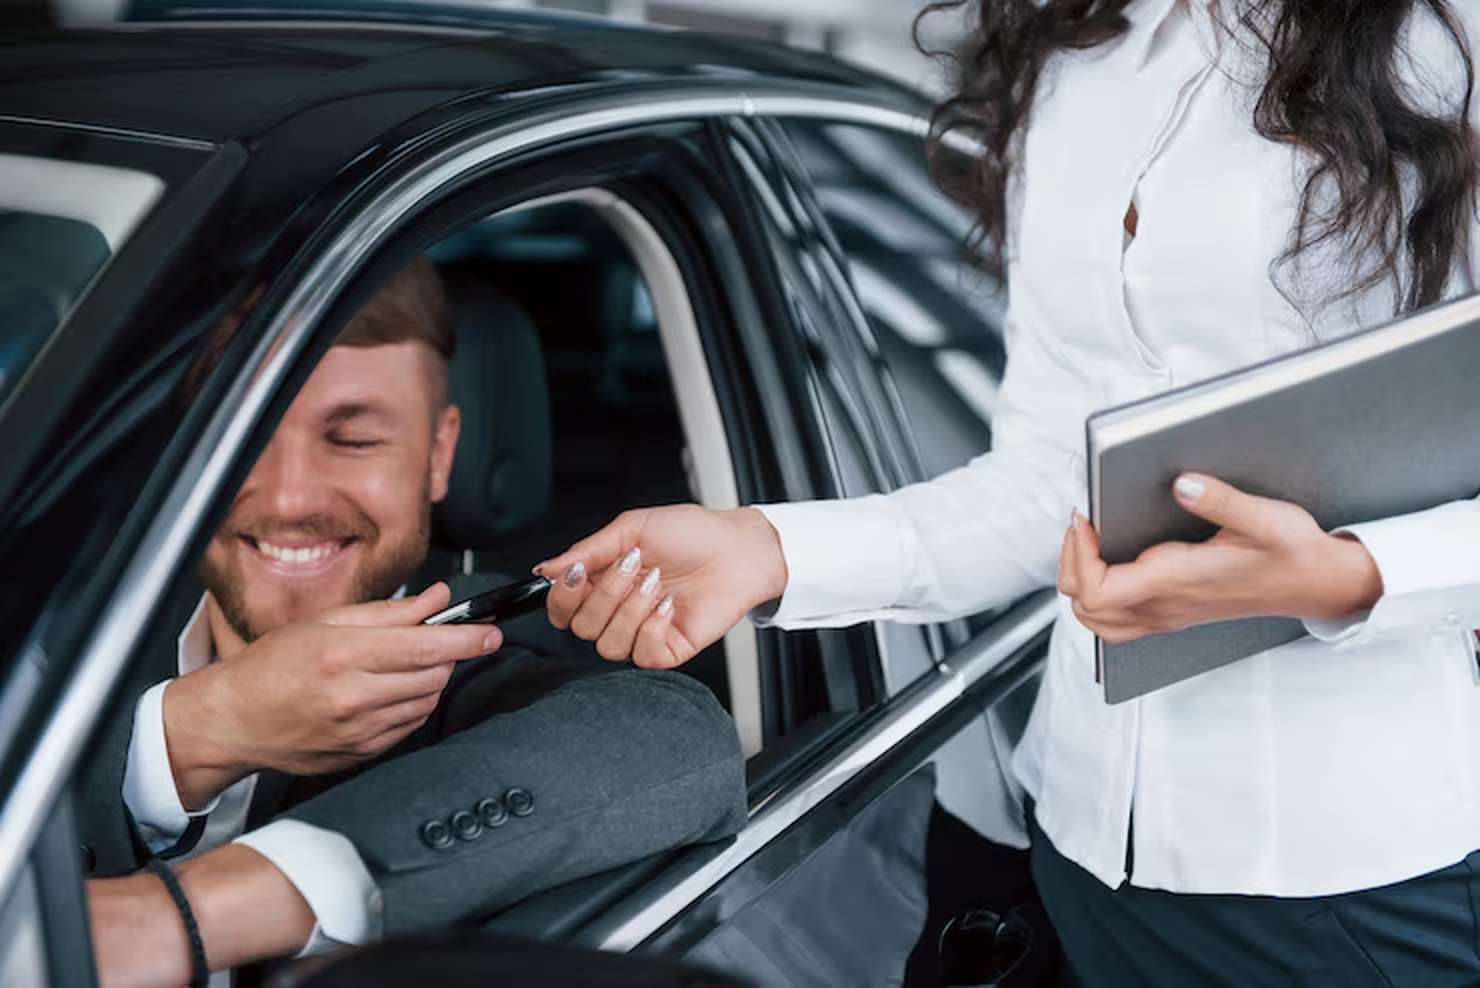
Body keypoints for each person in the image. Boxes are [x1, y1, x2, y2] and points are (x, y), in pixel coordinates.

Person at [531, 2, 1480, 984]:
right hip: (1068, 846)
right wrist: (769, 551)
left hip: (1348, 876)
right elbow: (1049, 479)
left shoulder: (1447, 41)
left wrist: (1345, 576)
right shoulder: (1074, 52)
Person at [81, 258, 747, 987]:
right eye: (245, 437)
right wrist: (201, 728)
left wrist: (170, 920)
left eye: (354, 441)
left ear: (439, 455)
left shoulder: (499, 650)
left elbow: (677, 743)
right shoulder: (59, 633)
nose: (289, 496)